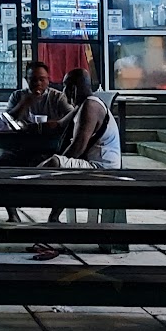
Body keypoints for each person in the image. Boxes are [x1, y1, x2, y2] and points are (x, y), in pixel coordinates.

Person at [0, 61, 74, 220]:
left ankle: (54, 216)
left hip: (49, 148)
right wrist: (24, 103)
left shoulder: (57, 97)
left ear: (48, 80)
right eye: (33, 79)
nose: (38, 83)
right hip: (19, 147)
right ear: (26, 80)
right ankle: (12, 213)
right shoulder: (18, 96)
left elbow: (73, 116)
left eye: (42, 79)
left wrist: (55, 124)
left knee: (66, 172)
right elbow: (6, 121)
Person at [38, 67, 123, 223]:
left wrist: (51, 167)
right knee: (55, 162)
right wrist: (33, 127)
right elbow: (59, 125)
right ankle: (53, 216)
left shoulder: (90, 106)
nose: (63, 91)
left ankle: (24, 190)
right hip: (92, 163)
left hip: (102, 168)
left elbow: (77, 148)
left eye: (65, 86)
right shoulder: (83, 104)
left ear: (74, 89)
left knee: (56, 162)